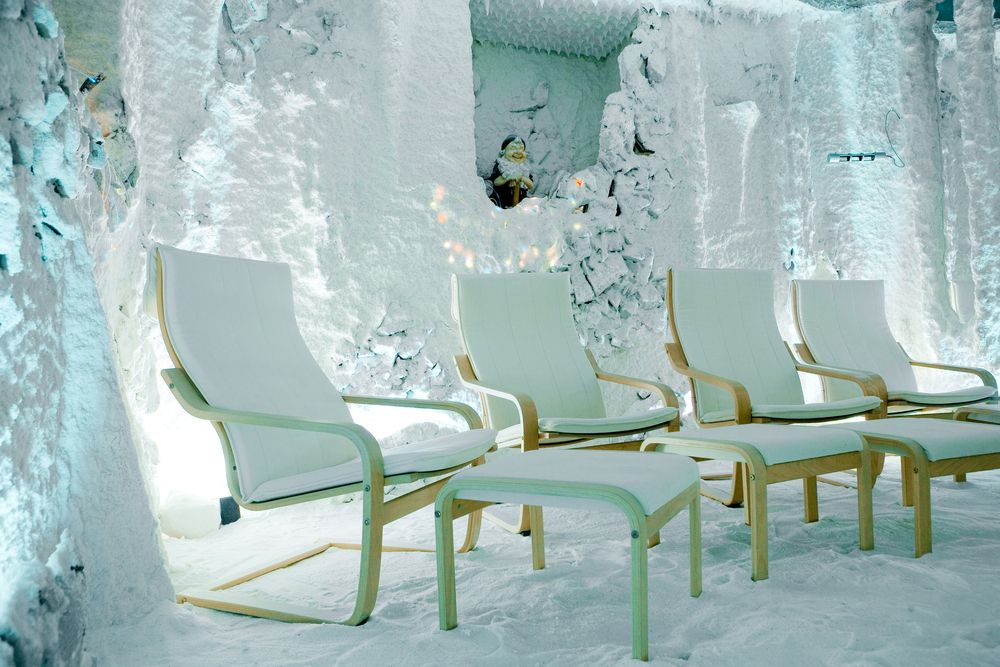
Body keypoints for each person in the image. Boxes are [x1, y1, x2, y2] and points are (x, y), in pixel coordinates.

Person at [488, 135, 534, 209]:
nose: (518, 152)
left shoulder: (524, 168)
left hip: (520, 201)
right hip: (501, 200)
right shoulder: (501, 165)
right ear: (503, 151)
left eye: (521, 149)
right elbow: (496, 182)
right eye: (513, 148)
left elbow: (531, 185)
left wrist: (521, 177)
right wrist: (509, 177)